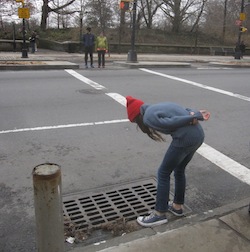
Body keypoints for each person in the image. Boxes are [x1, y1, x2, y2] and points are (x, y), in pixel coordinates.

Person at [126, 96, 210, 227]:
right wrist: (192, 115)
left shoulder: (148, 116)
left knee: (163, 173)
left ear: (137, 116)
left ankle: (159, 214)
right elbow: (185, 110)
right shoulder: (158, 106)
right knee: (179, 170)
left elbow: (171, 122)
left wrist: (192, 117)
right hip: (198, 136)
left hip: (185, 139)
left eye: (136, 122)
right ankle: (177, 206)